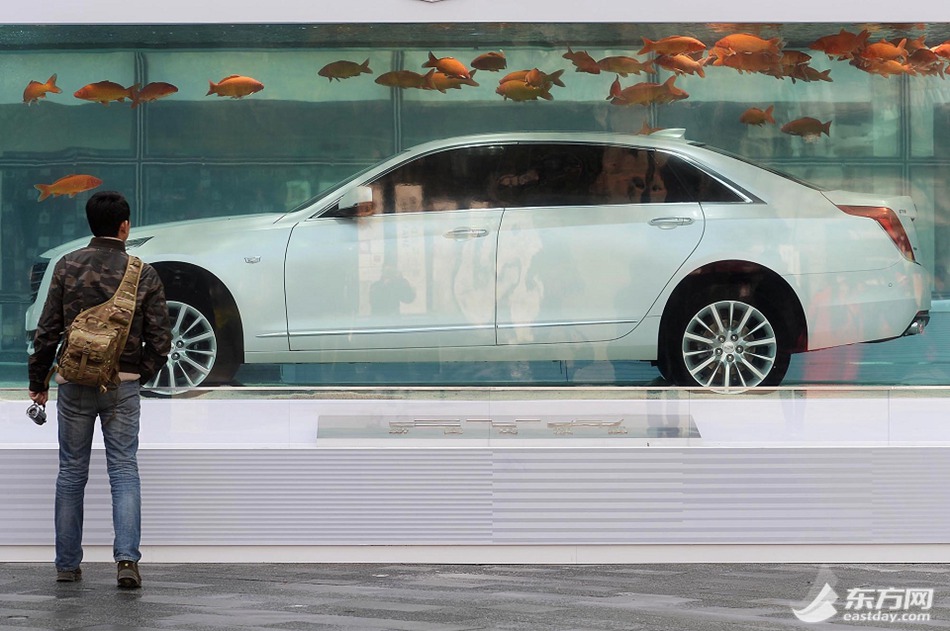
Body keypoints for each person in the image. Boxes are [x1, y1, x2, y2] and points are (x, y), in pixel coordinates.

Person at [28, 191, 171, 589]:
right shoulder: (143, 272)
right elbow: (161, 340)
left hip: (73, 385)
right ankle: (127, 561)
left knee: (71, 473)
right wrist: (135, 373)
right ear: (124, 226)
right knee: (123, 470)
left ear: (91, 225)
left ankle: (67, 565)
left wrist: (38, 381)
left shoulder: (67, 265)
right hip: (121, 387)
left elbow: (47, 331)